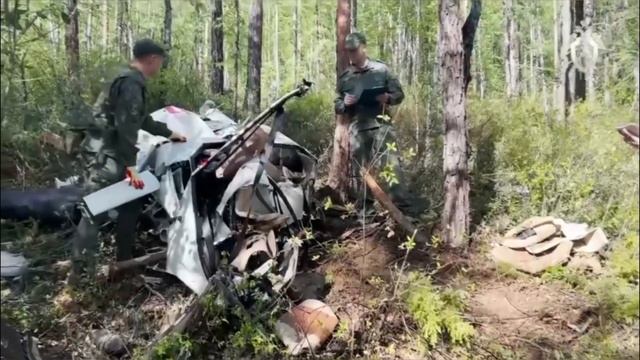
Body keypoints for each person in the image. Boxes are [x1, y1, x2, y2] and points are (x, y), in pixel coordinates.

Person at [69, 38, 186, 283]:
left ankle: (123, 261)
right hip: (107, 156)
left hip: (108, 152)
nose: (159, 68)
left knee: (131, 203)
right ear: (152, 59)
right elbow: (125, 129)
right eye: (160, 63)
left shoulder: (124, 77)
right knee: (94, 209)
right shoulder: (132, 83)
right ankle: (80, 276)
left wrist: (170, 133)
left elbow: (139, 119)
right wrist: (131, 166)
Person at [334, 32, 423, 216]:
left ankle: (401, 207)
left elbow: (399, 94)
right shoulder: (345, 78)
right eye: (349, 52)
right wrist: (345, 103)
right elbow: (337, 105)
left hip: (382, 123)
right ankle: (367, 210)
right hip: (358, 127)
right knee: (363, 170)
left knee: (391, 164)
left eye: (355, 50)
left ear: (364, 48)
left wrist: (387, 97)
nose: (352, 55)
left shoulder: (381, 70)